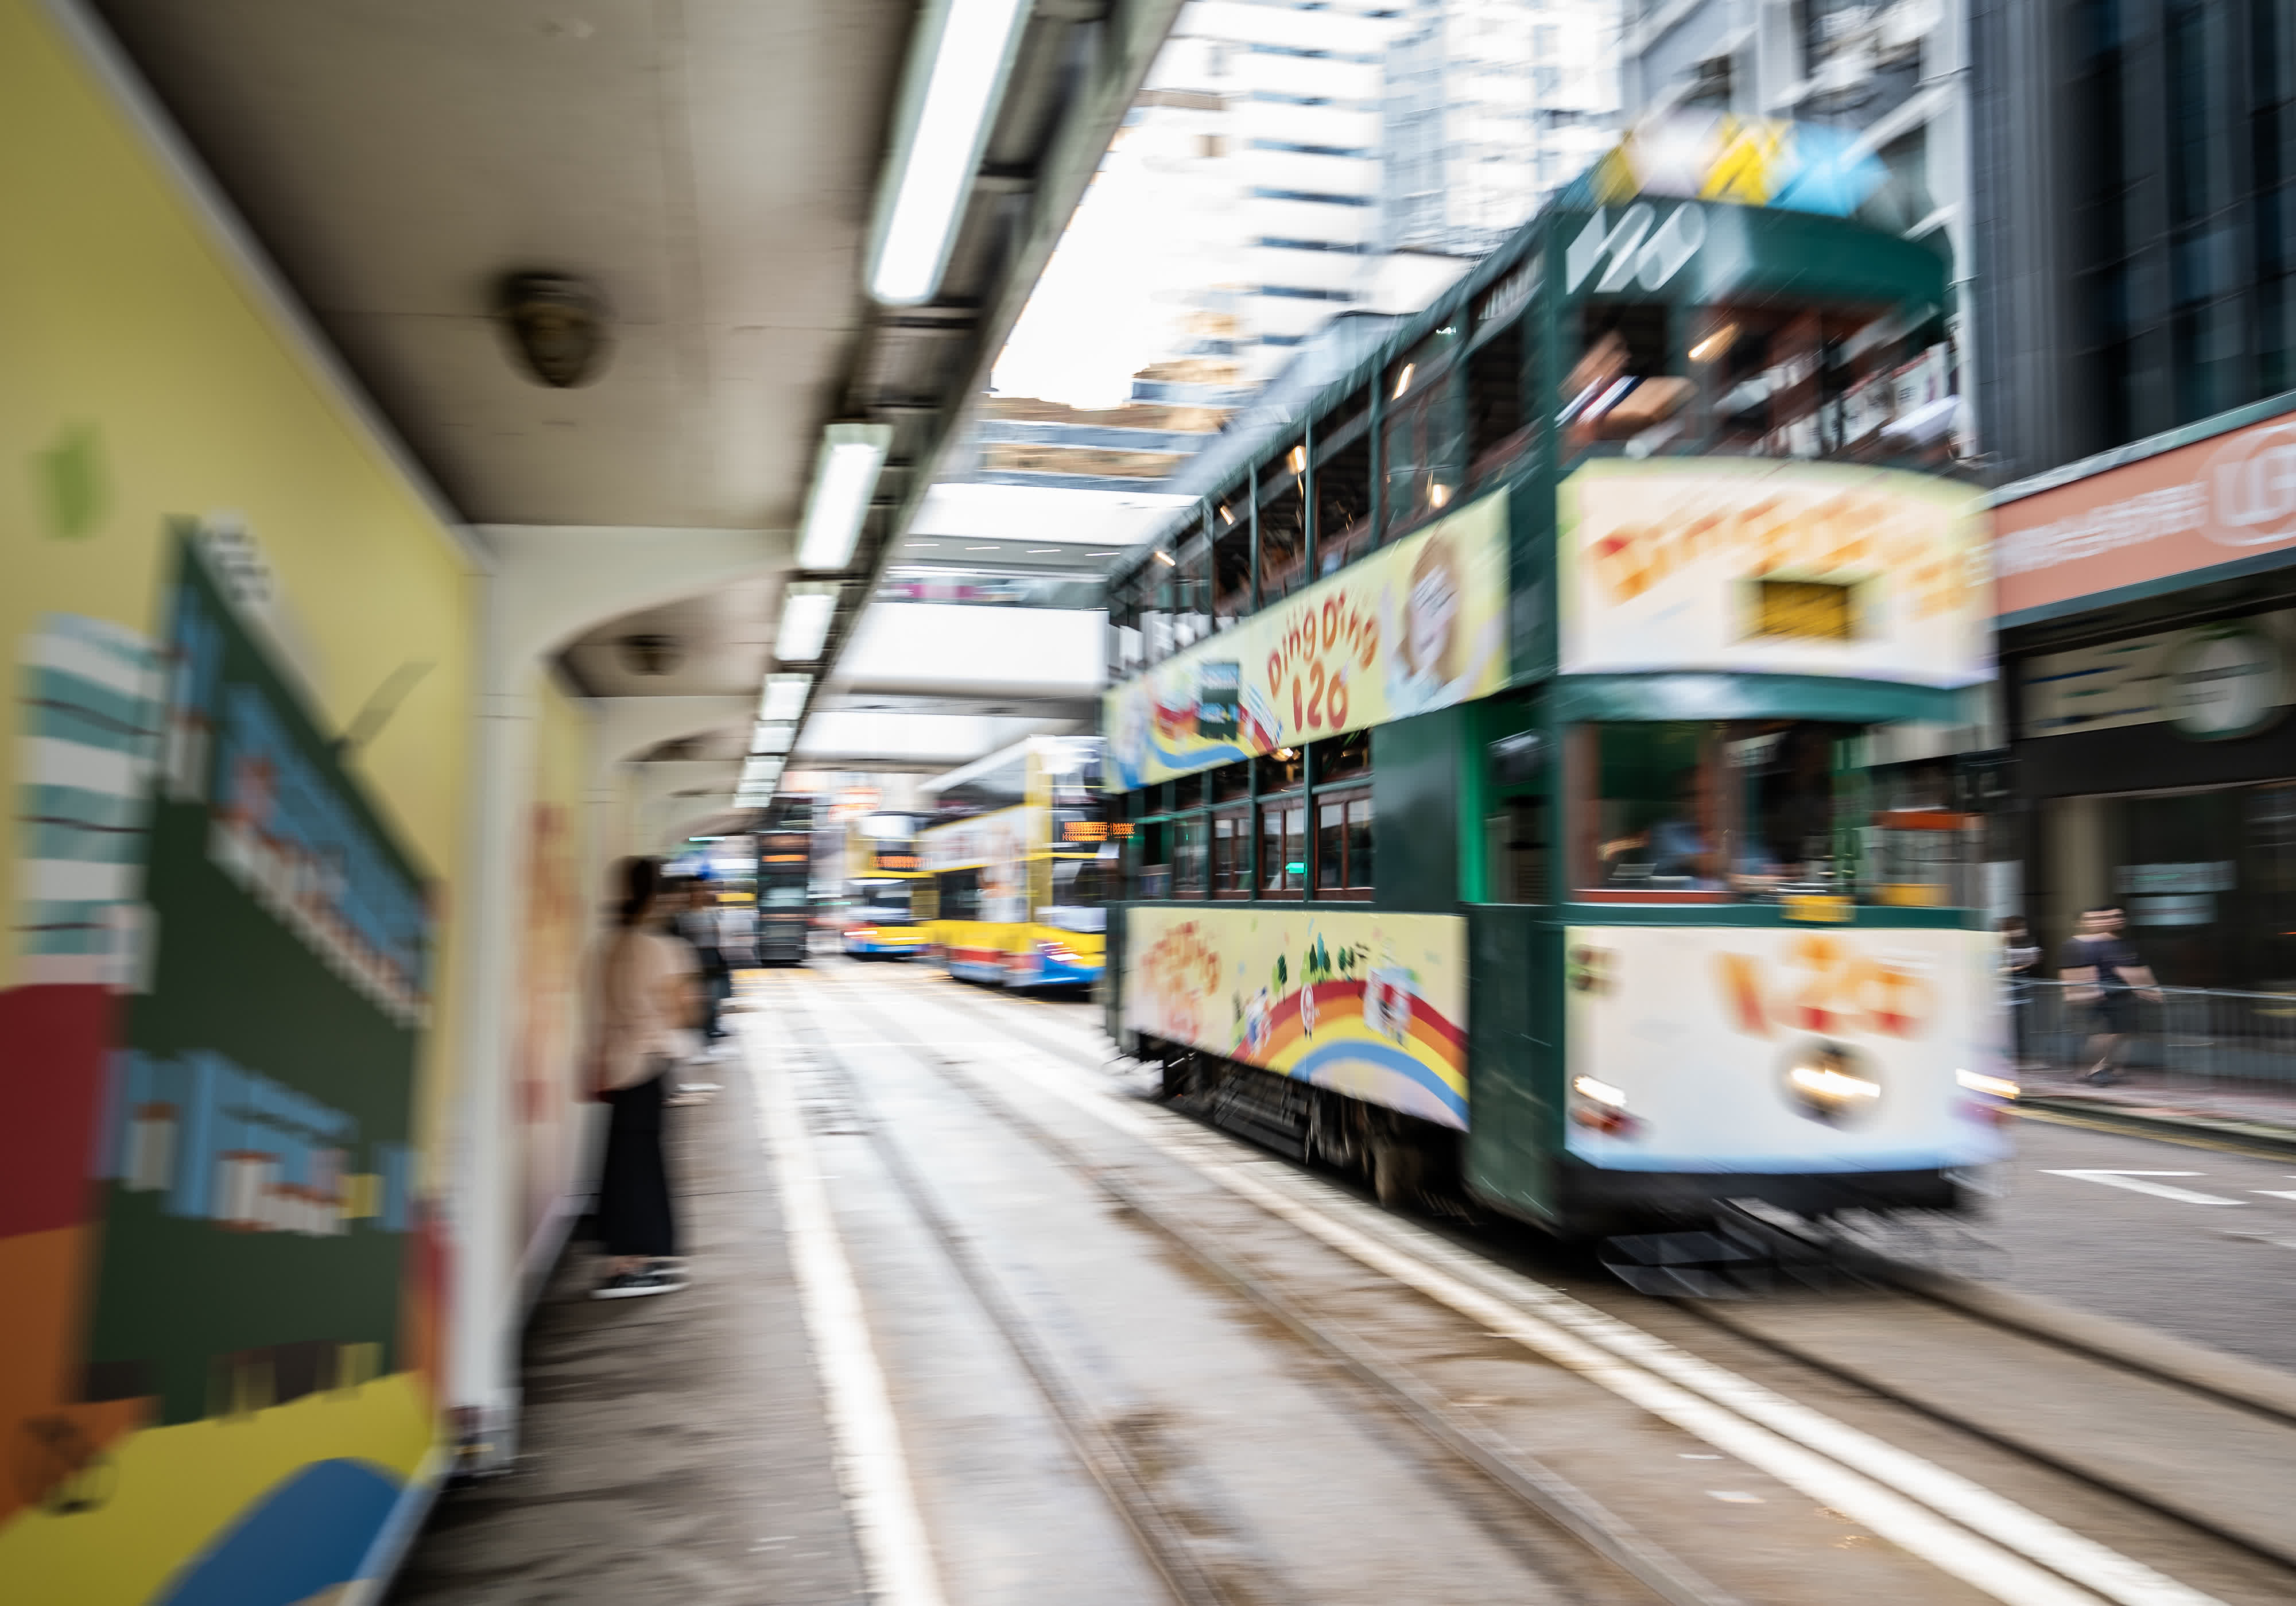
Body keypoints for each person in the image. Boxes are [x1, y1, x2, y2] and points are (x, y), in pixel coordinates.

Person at [585, 856, 700, 1298]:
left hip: (613, 1065)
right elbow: (684, 1010)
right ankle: (633, 1264)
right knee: (643, 1165)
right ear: (657, 898)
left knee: (620, 1163)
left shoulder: (604, 948)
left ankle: (621, 1259)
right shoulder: (660, 950)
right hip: (647, 1065)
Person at [2056, 905, 2161, 1086]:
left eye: (2101, 918)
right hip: (2096, 996)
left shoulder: (2115, 943)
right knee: (2102, 1034)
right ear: (2081, 923)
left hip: (2118, 994)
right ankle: (2093, 1068)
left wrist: (2146, 987)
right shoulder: (2075, 944)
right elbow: (2069, 973)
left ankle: (2103, 1067)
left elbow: (2131, 966)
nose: (2100, 922)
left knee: (2120, 1033)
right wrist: (2078, 994)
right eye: (2092, 919)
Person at [674, 879, 730, 1054]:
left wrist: (719, 954)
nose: (699, 894)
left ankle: (711, 1028)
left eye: (702, 890)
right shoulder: (682, 915)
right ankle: (700, 1030)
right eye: (696, 891)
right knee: (697, 997)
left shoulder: (711, 913)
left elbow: (717, 934)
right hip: (693, 957)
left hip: (711, 956)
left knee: (712, 996)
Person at [1999, 916, 2041, 1068]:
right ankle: (2009, 1060)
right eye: (2017, 928)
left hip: (2020, 995)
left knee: (2020, 1028)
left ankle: (2020, 1059)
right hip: (2004, 996)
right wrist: (2021, 967)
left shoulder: (2024, 944)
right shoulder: (1998, 945)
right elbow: (1996, 970)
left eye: (2022, 928)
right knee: (2007, 1030)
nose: (2021, 932)